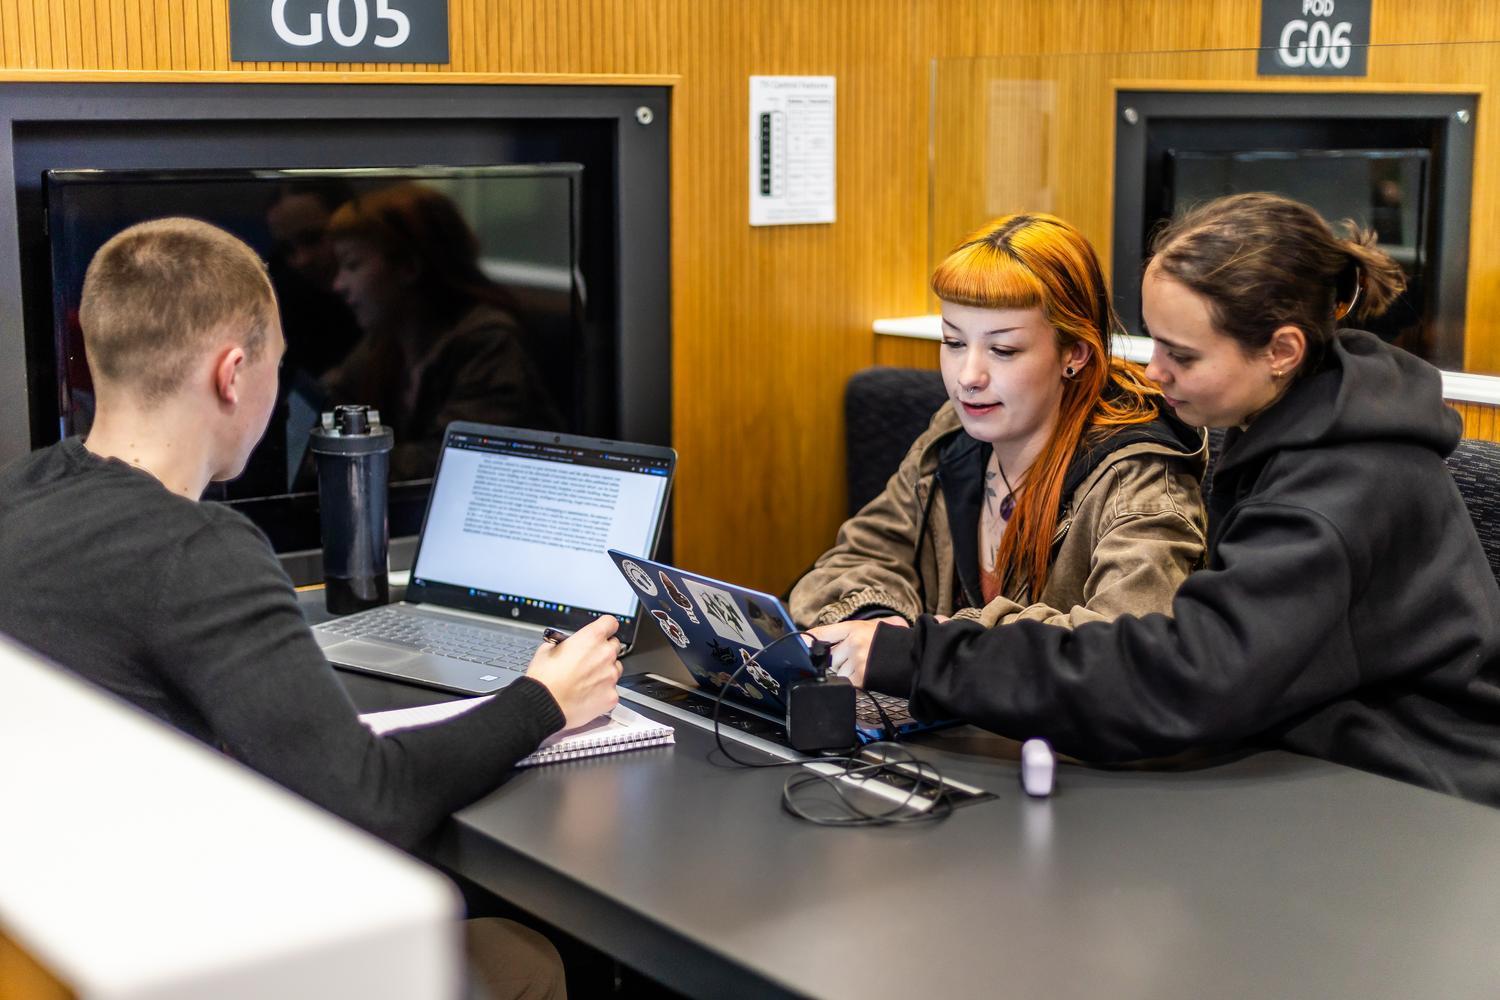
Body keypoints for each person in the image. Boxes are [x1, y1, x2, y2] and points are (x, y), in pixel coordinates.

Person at [0, 218, 614, 997]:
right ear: (232, 373)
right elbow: (372, 800)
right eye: (276, 366)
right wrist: (545, 700)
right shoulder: (200, 549)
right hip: (178, 958)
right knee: (525, 955)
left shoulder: (19, 493)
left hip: (56, 935)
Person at [814, 192, 1500, 806]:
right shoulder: (1286, 430)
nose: (1152, 372)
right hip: (1313, 772)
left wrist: (920, 656)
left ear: (1281, 351)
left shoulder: (1340, 490)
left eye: (1183, 354)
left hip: (1417, 803)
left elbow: (1182, 676)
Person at [790, 213, 1207, 638]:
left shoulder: (1141, 480)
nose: (968, 376)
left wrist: (930, 648)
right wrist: (874, 621)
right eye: (953, 343)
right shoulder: (952, 433)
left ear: (1075, 354)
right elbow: (857, 558)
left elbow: (1127, 648)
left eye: (1003, 350)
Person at [322, 182, 564, 480]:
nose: (339, 285)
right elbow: (331, 397)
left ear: (409, 267)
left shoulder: (488, 341)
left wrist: (336, 459)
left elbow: (455, 459)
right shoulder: (389, 338)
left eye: (352, 265)